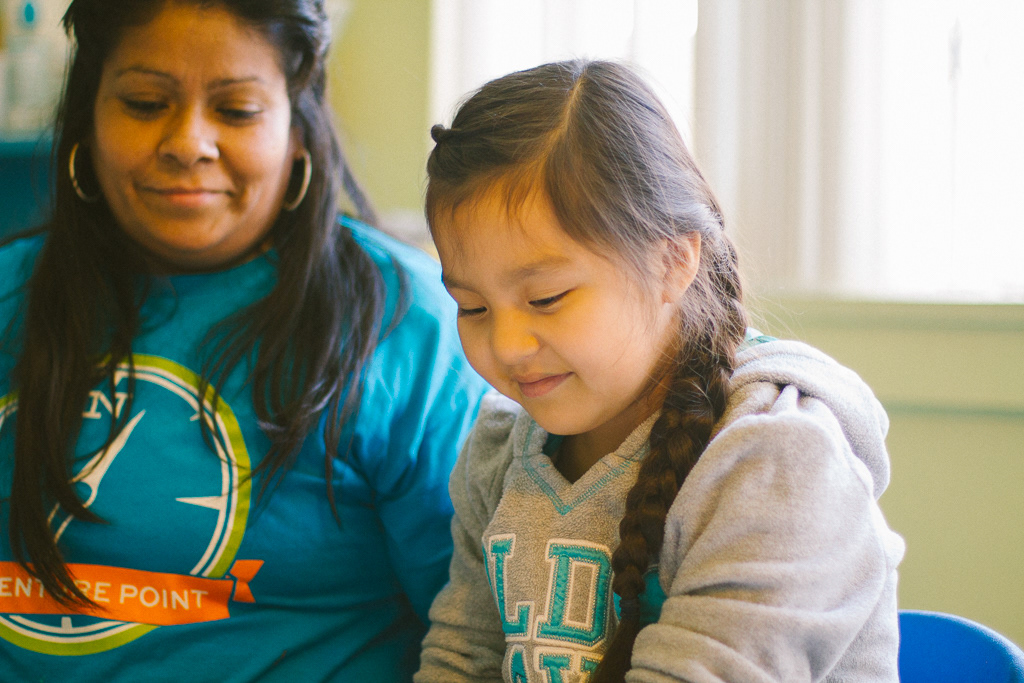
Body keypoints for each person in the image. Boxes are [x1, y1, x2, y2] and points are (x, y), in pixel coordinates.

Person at [0, 1, 487, 681]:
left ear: (297, 129)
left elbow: (480, 633)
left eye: (236, 110)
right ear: (89, 115)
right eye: (144, 102)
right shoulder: (9, 295)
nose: (188, 142)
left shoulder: (404, 323)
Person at [414, 59, 905, 682]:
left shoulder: (777, 462)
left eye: (546, 298)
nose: (507, 345)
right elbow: (462, 658)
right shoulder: (499, 453)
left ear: (674, 260)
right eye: (473, 307)